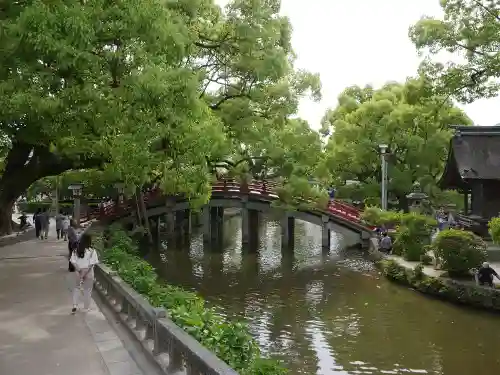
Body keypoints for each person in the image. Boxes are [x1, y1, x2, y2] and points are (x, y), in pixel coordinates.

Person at [69, 232, 99, 313]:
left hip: (78, 272)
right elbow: (91, 264)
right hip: (88, 273)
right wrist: (85, 273)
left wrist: (79, 271)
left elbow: (73, 261)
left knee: (76, 288)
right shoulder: (92, 251)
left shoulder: (76, 250)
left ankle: (75, 305)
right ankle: (86, 307)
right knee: (87, 290)